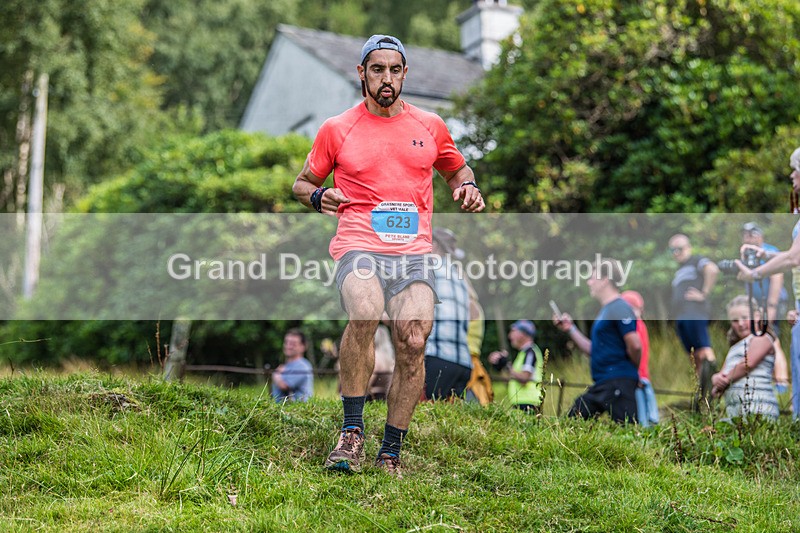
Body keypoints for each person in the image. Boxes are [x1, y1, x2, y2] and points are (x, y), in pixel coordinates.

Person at [292, 34, 484, 476]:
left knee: (414, 340)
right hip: (359, 243)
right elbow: (302, 182)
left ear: (404, 75)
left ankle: (391, 451)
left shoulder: (430, 125)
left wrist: (466, 187)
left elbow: (457, 168)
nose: (386, 79)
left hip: (413, 252)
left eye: (395, 71)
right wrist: (318, 195)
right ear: (362, 73)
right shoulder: (337, 128)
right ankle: (352, 433)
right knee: (365, 311)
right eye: (377, 70)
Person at [737, 146, 800, 419]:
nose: (791, 175)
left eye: (795, 169)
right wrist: (768, 256)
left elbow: (793, 259)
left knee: (774, 344)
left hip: (779, 307)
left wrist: (755, 273)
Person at [553, 266, 641, 424]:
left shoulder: (619, 307)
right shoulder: (606, 311)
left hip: (618, 382)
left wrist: (632, 370)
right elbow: (593, 349)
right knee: (572, 421)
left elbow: (635, 345)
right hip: (605, 383)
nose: (589, 282)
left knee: (629, 432)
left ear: (605, 280)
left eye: (592, 278)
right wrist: (570, 328)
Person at [668, 233, 719, 404]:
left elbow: (712, 269)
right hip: (682, 316)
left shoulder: (696, 260)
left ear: (688, 247)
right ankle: (702, 392)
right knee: (694, 355)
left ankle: (716, 387)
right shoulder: (678, 270)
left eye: (680, 248)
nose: (676, 253)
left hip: (694, 313)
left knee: (704, 349)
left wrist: (704, 293)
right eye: (673, 250)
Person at [423, 228, 473, 401]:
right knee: (450, 420)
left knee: (428, 416)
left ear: (434, 244)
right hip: (463, 362)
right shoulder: (459, 277)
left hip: (439, 357)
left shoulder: (429, 270)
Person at [711, 296, 779, 421]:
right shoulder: (734, 348)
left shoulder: (761, 338)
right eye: (735, 320)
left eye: (745, 318)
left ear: (757, 316)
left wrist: (724, 381)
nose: (740, 324)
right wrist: (716, 379)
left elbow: (748, 364)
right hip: (737, 415)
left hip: (760, 411)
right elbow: (723, 373)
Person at [620, 290, 659, 427]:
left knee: (641, 419)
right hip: (641, 375)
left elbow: (639, 352)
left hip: (638, 377)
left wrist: (639, 375)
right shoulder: (639, 324)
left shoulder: (635, 325)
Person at [488, 320, 544, 413]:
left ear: (523, 333)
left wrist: (507, 366)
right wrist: (500, 365)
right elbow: (511, 380)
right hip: (522, 402)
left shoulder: (530, 352)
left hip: (528, 403)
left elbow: (524, 379)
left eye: (513, 331)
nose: (510, 336)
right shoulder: (523, 353)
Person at [271, 329, 314, 403]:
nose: (288, 346)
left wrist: (276, 374)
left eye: (293, 344)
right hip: (285, 409)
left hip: (298, 409)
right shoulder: (287, 365)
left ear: (303, 347)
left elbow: (284, 386)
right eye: (286, 342)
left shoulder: (302, 366)